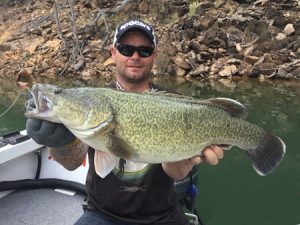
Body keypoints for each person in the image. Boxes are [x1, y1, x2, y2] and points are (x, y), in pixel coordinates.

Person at [26, 19, 224, 225]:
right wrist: (59, 142)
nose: (135, 56)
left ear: (154, 56)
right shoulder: (96, 100)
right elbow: (71, 163)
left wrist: (187, 155)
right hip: (102, 214)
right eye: (126, 49)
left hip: (162, 216)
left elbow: (175, 172)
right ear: (113, 53)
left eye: (144, 51)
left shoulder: (172, 102)